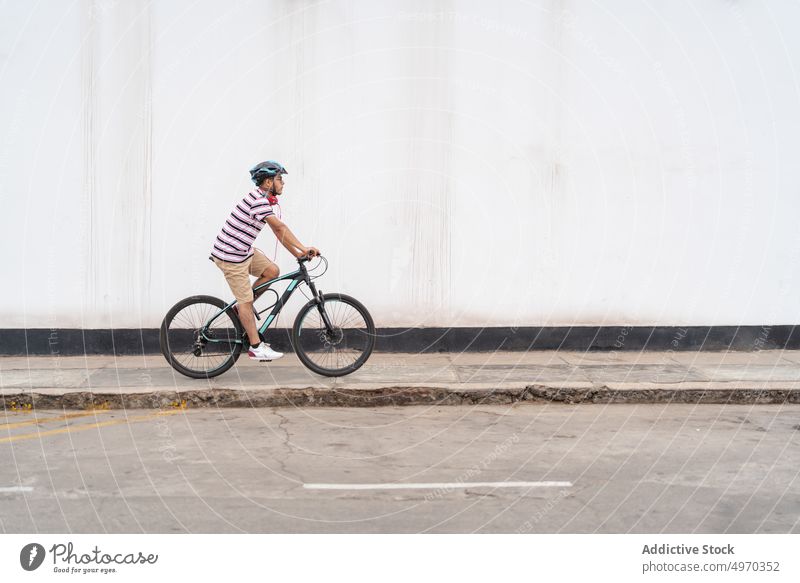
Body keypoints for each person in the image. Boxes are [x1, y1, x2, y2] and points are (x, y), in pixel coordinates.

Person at [209, 160, 321, 361]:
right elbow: (280, 228)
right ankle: (255, 347)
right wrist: (304, 248)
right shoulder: (258, 201)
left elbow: (280, 234)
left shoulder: (263, 200)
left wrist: (298, 256)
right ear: (268, 182)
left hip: (242, 251)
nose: (283, 183)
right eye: (280, 179)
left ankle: (240, 310)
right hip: (230, 256)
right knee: (246, 301)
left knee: (272, 271)